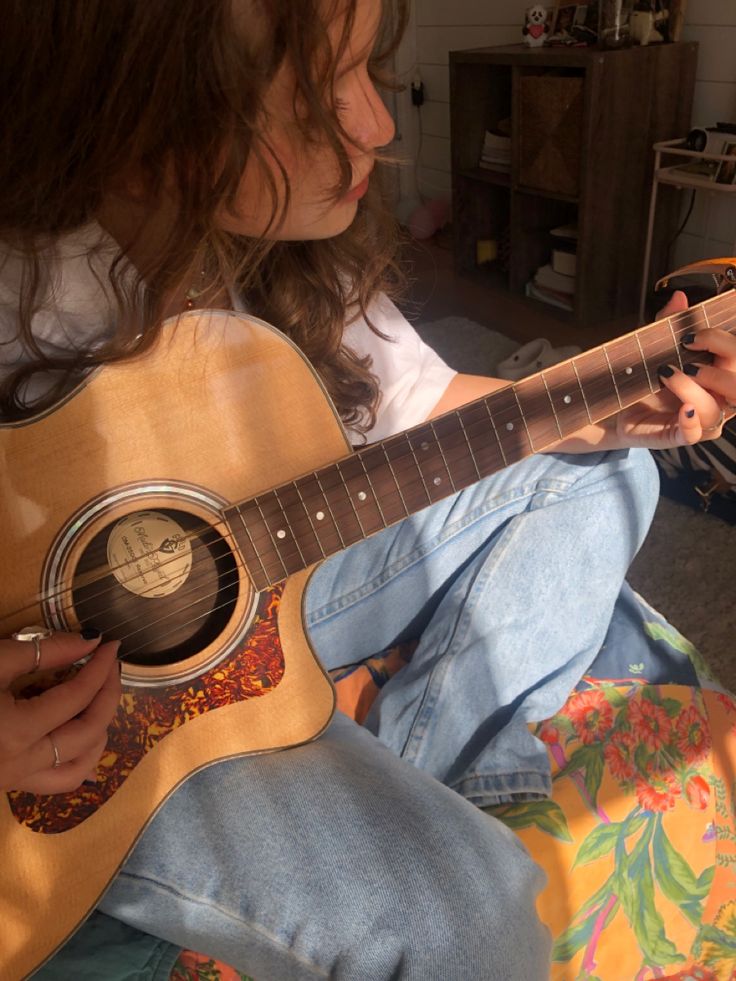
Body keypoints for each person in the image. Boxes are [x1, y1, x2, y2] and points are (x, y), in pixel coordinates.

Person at [2, 1, 736, 978]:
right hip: (87, 741)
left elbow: (425, 410)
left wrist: (610, 406)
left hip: (280, 582)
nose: (381, 128)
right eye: (318, 101)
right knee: (482, 927)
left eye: (367, 77)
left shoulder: (286, 251)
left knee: (606, 476)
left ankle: (415, 773)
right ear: (144, 125)